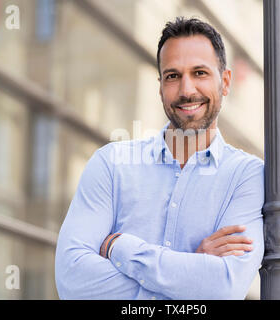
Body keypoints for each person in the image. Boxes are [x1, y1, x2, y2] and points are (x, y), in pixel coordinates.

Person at [55, 17, 264, 300]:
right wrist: (190, 276)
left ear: (225, 82)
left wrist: (120, 248)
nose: (187, 90)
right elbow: (72, 280)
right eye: (173, 76)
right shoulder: (111, 164)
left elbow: (224, 288)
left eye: (200, 73)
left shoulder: (248, 176)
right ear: (160, 85)